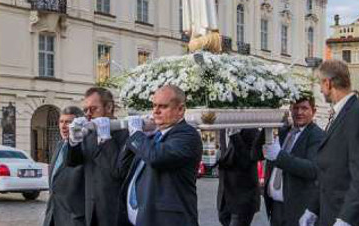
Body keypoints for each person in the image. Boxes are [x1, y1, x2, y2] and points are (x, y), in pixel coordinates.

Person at [300, 60, 359, 226]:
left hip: (349, 217)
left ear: (328, 83)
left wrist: (346, 218)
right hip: (331, 213)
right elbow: (328, 172)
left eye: (320, 84)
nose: (320, 90)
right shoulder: (339, 113)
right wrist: (313, 209)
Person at [118, 85, 203, 225]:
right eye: (154, 106)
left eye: (163, 106)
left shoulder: (187, 135)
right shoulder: (151, 137)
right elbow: (121, 169)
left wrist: (137, 135)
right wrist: (134, 137)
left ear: (180, 109)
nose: (156, 111)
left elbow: (156, 157)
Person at [67, 87, 132, 226]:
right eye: (85, 110)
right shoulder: (89, 133)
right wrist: (73, 142)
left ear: (109, 107)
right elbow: (74, 163)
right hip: (91, 209)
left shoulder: (125, 132)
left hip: (116, 211)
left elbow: (119, 171)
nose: (88, 114)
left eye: (93, 109)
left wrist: (106, 139)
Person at [257, 95, 325, 226]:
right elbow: (254, 154)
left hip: (298, 210)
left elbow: (312, 169)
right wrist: (266, 125)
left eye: (304, 108)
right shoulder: (283, 131)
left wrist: (279, 155)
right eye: (296, 108)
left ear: (313, 111)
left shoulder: (318, 136)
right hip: (276, 208)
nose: (299, 112)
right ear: (290, 109)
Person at [43, 107, 86, 226]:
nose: (63, 126)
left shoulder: (85, 148)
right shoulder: (60, 145)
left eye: (68, 122)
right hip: (53, 215)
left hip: (74, 218)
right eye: (61, 121)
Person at [217, 127, 261, 226]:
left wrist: (234, 135)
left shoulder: (252, 130)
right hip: (225, 198)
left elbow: (246, 161)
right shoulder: (222, 128)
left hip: (243, 199)